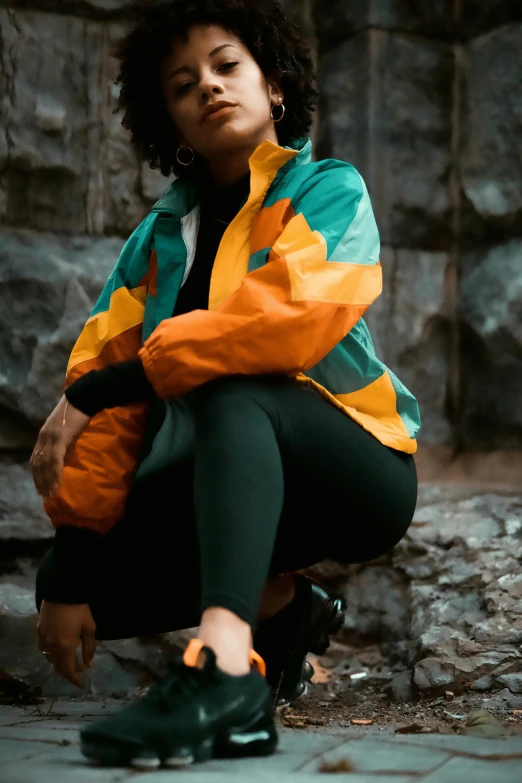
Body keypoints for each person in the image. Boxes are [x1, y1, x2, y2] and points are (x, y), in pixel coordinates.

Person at [31, 0, 420, 770]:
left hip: (355, 469)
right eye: (183, 83)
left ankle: (227, 675)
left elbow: (282, 324)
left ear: (274, 86)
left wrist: (106, 388)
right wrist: (69, 566)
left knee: (234, 388)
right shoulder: (154, 244)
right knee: (80, 583)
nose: (208, 86)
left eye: (226, 65)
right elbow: (105, 401)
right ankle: (282, 608)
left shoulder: (330, 191)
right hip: (235, 472)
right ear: (169, 121)